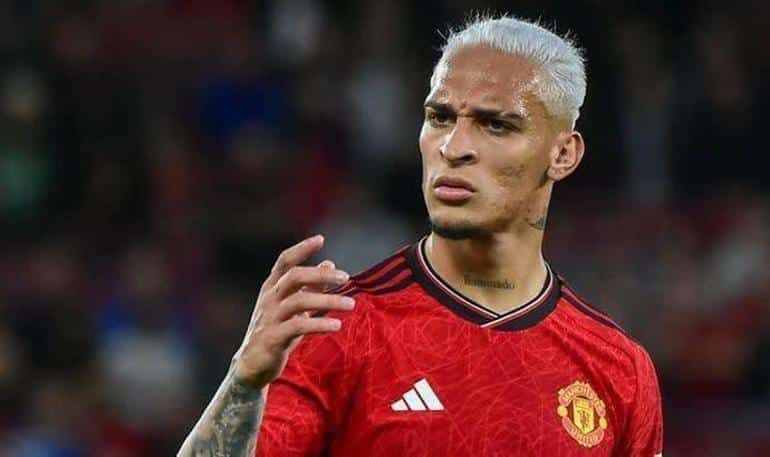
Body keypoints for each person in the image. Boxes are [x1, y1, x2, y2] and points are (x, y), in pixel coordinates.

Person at [178, 14, 663, 457]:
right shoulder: (338, 331)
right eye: (440, 118)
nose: (454, 146)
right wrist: (243, 383)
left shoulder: (619, 370)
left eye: (496, 125)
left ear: (562, 155)